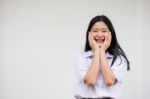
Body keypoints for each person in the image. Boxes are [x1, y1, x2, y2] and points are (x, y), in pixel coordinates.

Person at [74, 15, 130, 99]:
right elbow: (90, 81)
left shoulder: (119, 59)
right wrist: (97, 51)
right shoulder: (80, 58)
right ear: (89, 34)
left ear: (110, 34)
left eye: (104, 31)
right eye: (95, 31)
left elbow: (109, 81)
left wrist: (102, 51)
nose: (99, 34)